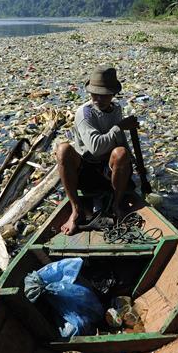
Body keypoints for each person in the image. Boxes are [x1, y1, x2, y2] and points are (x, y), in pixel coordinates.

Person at [55, 66, 139, 235]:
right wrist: (120, 127)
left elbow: (119, 141)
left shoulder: (116, 109)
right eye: (95, 94)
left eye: (105, 94)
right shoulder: (84, 113)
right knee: (63, 150)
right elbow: (95, 148)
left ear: (113, 94)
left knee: (122, 153)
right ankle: (76, 209)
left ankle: (116, 205)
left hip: (107, 169)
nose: (99, 99)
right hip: (85, 169)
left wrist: (130, 160)